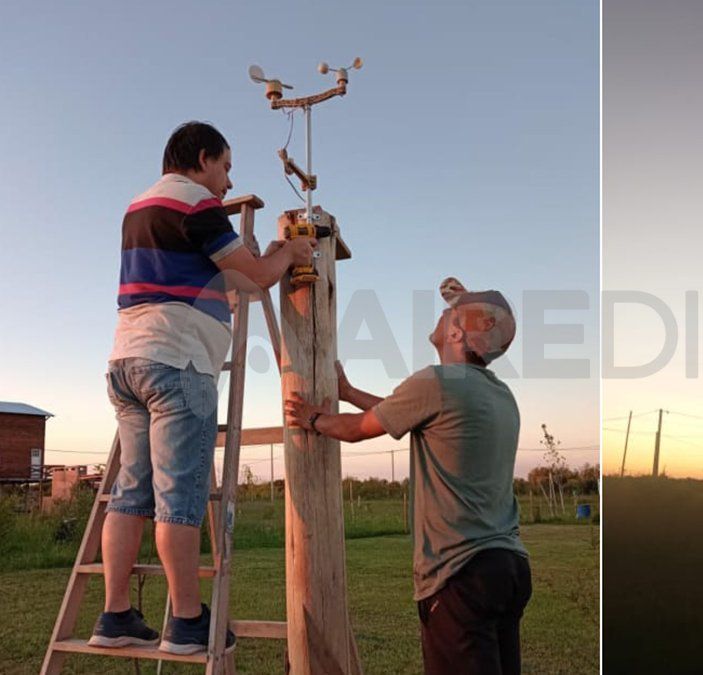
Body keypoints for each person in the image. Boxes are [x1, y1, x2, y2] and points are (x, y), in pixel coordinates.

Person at [92, 121, 316, 655]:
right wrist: (287, 254)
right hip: (179, 363)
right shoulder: (198, 203)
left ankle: (115, 614)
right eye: (225, 166)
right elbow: (257, 276)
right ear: (202, 156)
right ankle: (187, 623)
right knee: (179, 501)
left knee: (128, 496)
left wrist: (247, 265)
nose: (226, 180)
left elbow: (216, 275)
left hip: (128, 360)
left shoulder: (139, 206)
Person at [283, 277, 531, 675]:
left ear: (454, 331)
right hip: (509, 569)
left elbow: (356, 430)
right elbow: (402, 414)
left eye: (448, 313)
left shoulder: (437, 382)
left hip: (460, 574)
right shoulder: (497, 394)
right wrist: (347, 392)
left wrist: (312, 417)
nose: (440, 315)